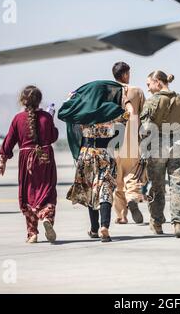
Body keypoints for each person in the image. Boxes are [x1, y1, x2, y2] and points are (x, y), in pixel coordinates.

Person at [58, 80, 130, 242]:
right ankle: (105, 226)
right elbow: (128, 115)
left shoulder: (82, 110)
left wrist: (71, 99)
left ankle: (94, 229)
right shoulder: (113, 109)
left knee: (91, 190)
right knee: (105, 189)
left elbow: (62, 113)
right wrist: (125, 99)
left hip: (87, 155)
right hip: (106, 154)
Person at [0, 86, 58, 243]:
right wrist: (51, 118)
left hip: (27, 161)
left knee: (28, 193)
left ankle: (32, 233)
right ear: (39, 100)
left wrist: (2, 162)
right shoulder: (46, 117)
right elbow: (53, 137)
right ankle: (46, 217)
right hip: (45, 158)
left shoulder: (18, 119)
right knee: (48, 191)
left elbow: (9, 141)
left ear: (23, 101)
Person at [140, 70, 180, 238]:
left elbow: (145, 129)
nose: (148, 88)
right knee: (177, 186)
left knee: (157, 186)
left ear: (158, 82)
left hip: (157, 146)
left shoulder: (152, 101)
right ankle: (178, 224)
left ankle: (156, 222)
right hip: (178, 146)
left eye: (149, 84)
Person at [111, 62, 145, 224]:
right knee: (132, 174)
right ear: (125, 74)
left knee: (117, 180)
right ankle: (132, 197)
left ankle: (121, 216)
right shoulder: (137, 91)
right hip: (132, 139)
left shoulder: (107, 91)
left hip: (112, 141)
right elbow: (145, 116)